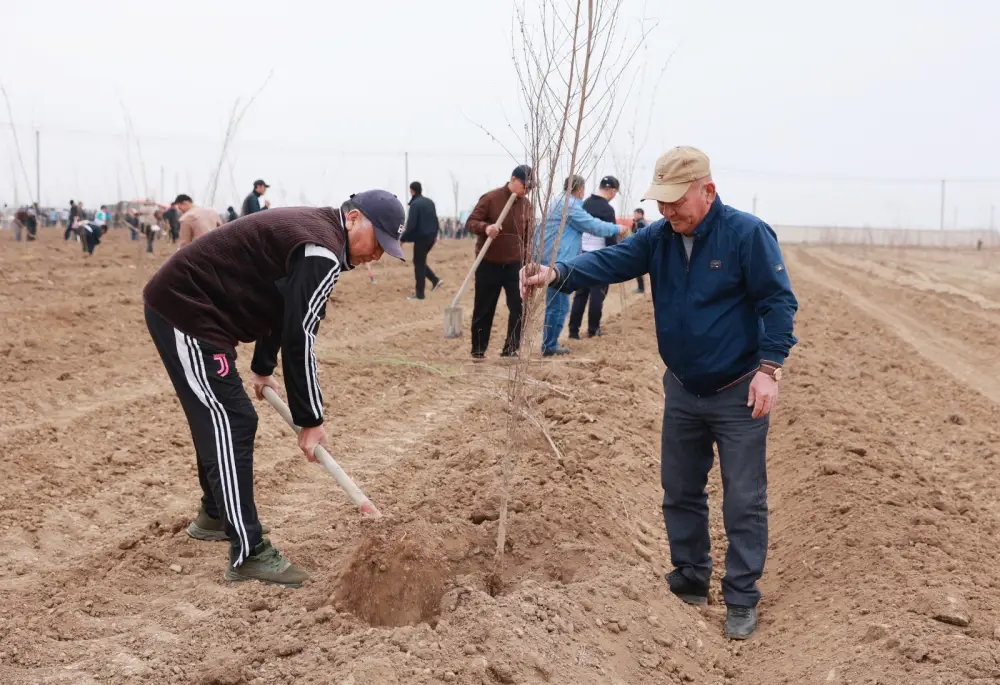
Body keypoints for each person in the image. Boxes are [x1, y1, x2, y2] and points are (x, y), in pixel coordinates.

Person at [519, 146, 798, 640]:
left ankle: (740, 597)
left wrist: (769, 369)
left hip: (739, 389)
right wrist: (557, 273)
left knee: (743, 498)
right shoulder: (661, 237)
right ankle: (690, 578)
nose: (668, 211)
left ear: (707, 191)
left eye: (676, 202)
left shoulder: (746, 235)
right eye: (662, 202)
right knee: (680, 489)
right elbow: (610, 262)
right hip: (684, 388)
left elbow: (778, 302)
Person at [142, 189, 406, 587]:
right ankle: (247, 551)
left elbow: (284, 306)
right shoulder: (322, 251)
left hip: (200, 314)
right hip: (187, 311)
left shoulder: (318, 237)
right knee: (232, 419)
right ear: (353, 218)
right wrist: (310, 419)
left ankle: (215, 513)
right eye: (378, 242)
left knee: (220, 415)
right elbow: (301, 335)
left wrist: (263, 367)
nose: (377, 255)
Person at [534, 175, 625, 357]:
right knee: (559, 306)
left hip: (550, 257)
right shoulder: (570, 204)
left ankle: (556, 340)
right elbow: (593, 226)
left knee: (562, 303)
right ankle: (549, 346)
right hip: (559, 260)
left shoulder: (557, 201)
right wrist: (616, 229)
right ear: (580, 189)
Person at [465, 165, 534, 359]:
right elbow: (470, 222)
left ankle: (511, 349)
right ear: (513, 179)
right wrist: (486, 228)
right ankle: (478, 350)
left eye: (530, 188)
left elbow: (528, 236)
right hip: (489, 263)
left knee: (519, 308)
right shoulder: (491, 198)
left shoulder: (527, 206)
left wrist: (528, 261)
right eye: (525, 185)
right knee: (484, 309)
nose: (527, 190)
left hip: (515, 266)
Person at [568, 175, 620, 340]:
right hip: (600, 256)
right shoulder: (608, 210)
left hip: (582, 254)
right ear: (612, 191)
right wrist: (613, 258)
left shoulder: (585, 204)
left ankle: (573, 331)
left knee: (581, 293)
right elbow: (610, 236)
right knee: (597, 294)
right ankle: (593, 329)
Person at [400, 181, 443, 300]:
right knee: (420, 261)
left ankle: (420, 295)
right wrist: (435, 236)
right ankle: (435, 280)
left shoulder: (415, 205)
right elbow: (435, 220)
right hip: (430, 238)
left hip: (421, 239)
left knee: (418, 264)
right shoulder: (430, 202)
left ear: (412, 190)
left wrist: (402, 239)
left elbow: (411, 225)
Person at [631, 208, 648, 293]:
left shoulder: (641, 223)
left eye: (635, 214)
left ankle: (641, 288)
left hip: (639, 249)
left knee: (638, 269)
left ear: (640, 214)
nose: (634, 215)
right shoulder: (639, 222)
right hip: (640, 249)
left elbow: (638, 236)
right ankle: (641, 288)